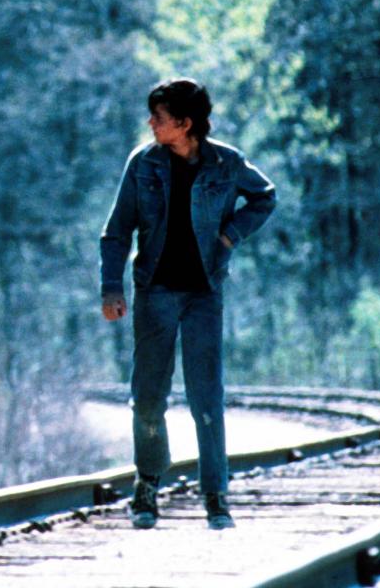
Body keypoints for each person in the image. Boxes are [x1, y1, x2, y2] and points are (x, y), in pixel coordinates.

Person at [99, 78, 276, 530]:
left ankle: (215, 496)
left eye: (159, 117)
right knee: (148, 396)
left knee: (206, 395)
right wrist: (111, 287)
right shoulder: (143, 164)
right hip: (154, 292)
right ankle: (147, 487)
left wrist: (229, 235)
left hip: (204, 294)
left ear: (185, 123)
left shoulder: (226, 163)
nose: (150, 124)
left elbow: (264, 196)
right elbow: (117, 230)